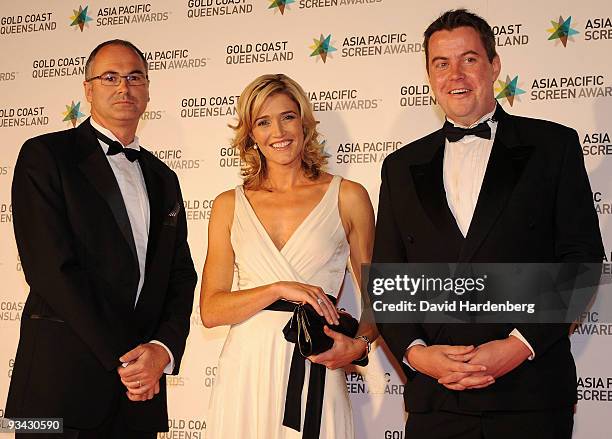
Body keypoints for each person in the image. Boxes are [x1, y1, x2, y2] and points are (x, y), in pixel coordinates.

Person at [372, 9, 603, 439]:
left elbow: (582, 261)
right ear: (428, 75)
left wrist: (519, 346)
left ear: (494, 65)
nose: (455, 74)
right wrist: (418, 355)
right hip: (437, 399)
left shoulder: (553, 146)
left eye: (469, 59)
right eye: (441, 63)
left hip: (530, 396)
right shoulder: (400, 167)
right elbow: (388, 278)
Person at [6, 39, 197, 438]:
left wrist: (162, 350)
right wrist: (127, 357)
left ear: (147, 90)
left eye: (134, 77)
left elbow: (180, 275)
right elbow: (50, 269)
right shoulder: (45, 155)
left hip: (139, 395)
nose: (123, 87)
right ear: (88, 89)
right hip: (55, 390)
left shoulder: (165, 178)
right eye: (109, 77)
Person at [200, 73, 377, 438]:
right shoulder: (229, 205)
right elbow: (211, 310)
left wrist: (358, 345)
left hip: (314, 364)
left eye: (287, 116)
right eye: (263, 121)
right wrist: (278, 289)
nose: (278, 131)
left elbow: (381, 300)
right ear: (250, 133)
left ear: (304, 122)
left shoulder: (348, 197)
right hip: (245, 371)